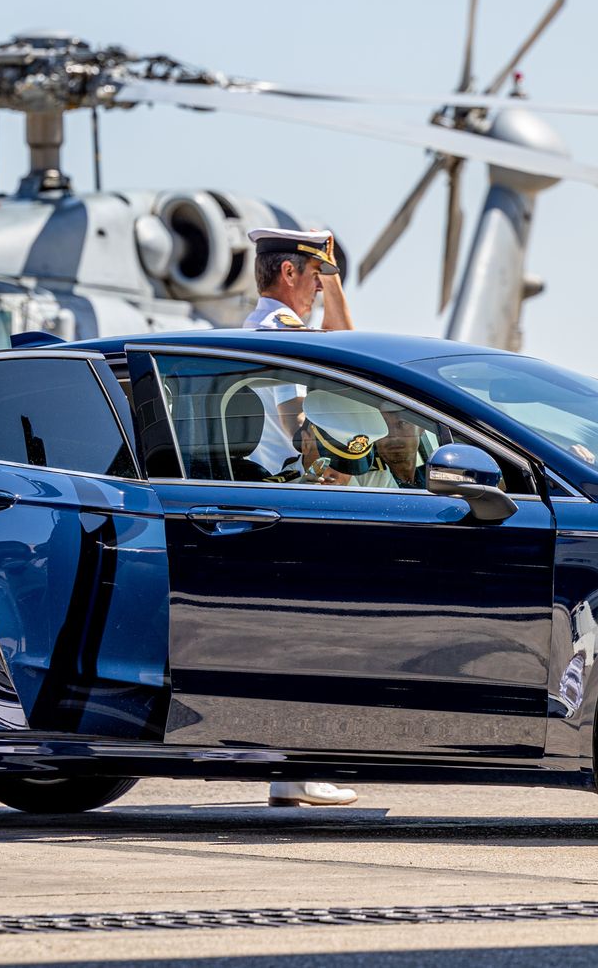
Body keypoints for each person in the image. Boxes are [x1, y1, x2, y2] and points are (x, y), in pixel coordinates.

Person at [240, 227, 361, 808]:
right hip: (288, 493)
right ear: (290, 274)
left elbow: (347, 348)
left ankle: (290, 773)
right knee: (305, 639)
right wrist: (332, 470)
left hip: (269, 495)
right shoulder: (280, 334)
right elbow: (294, 417)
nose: (320, 289)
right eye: (316, 277)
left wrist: (333, 275)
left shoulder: (263, 326)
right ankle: (295, 771)